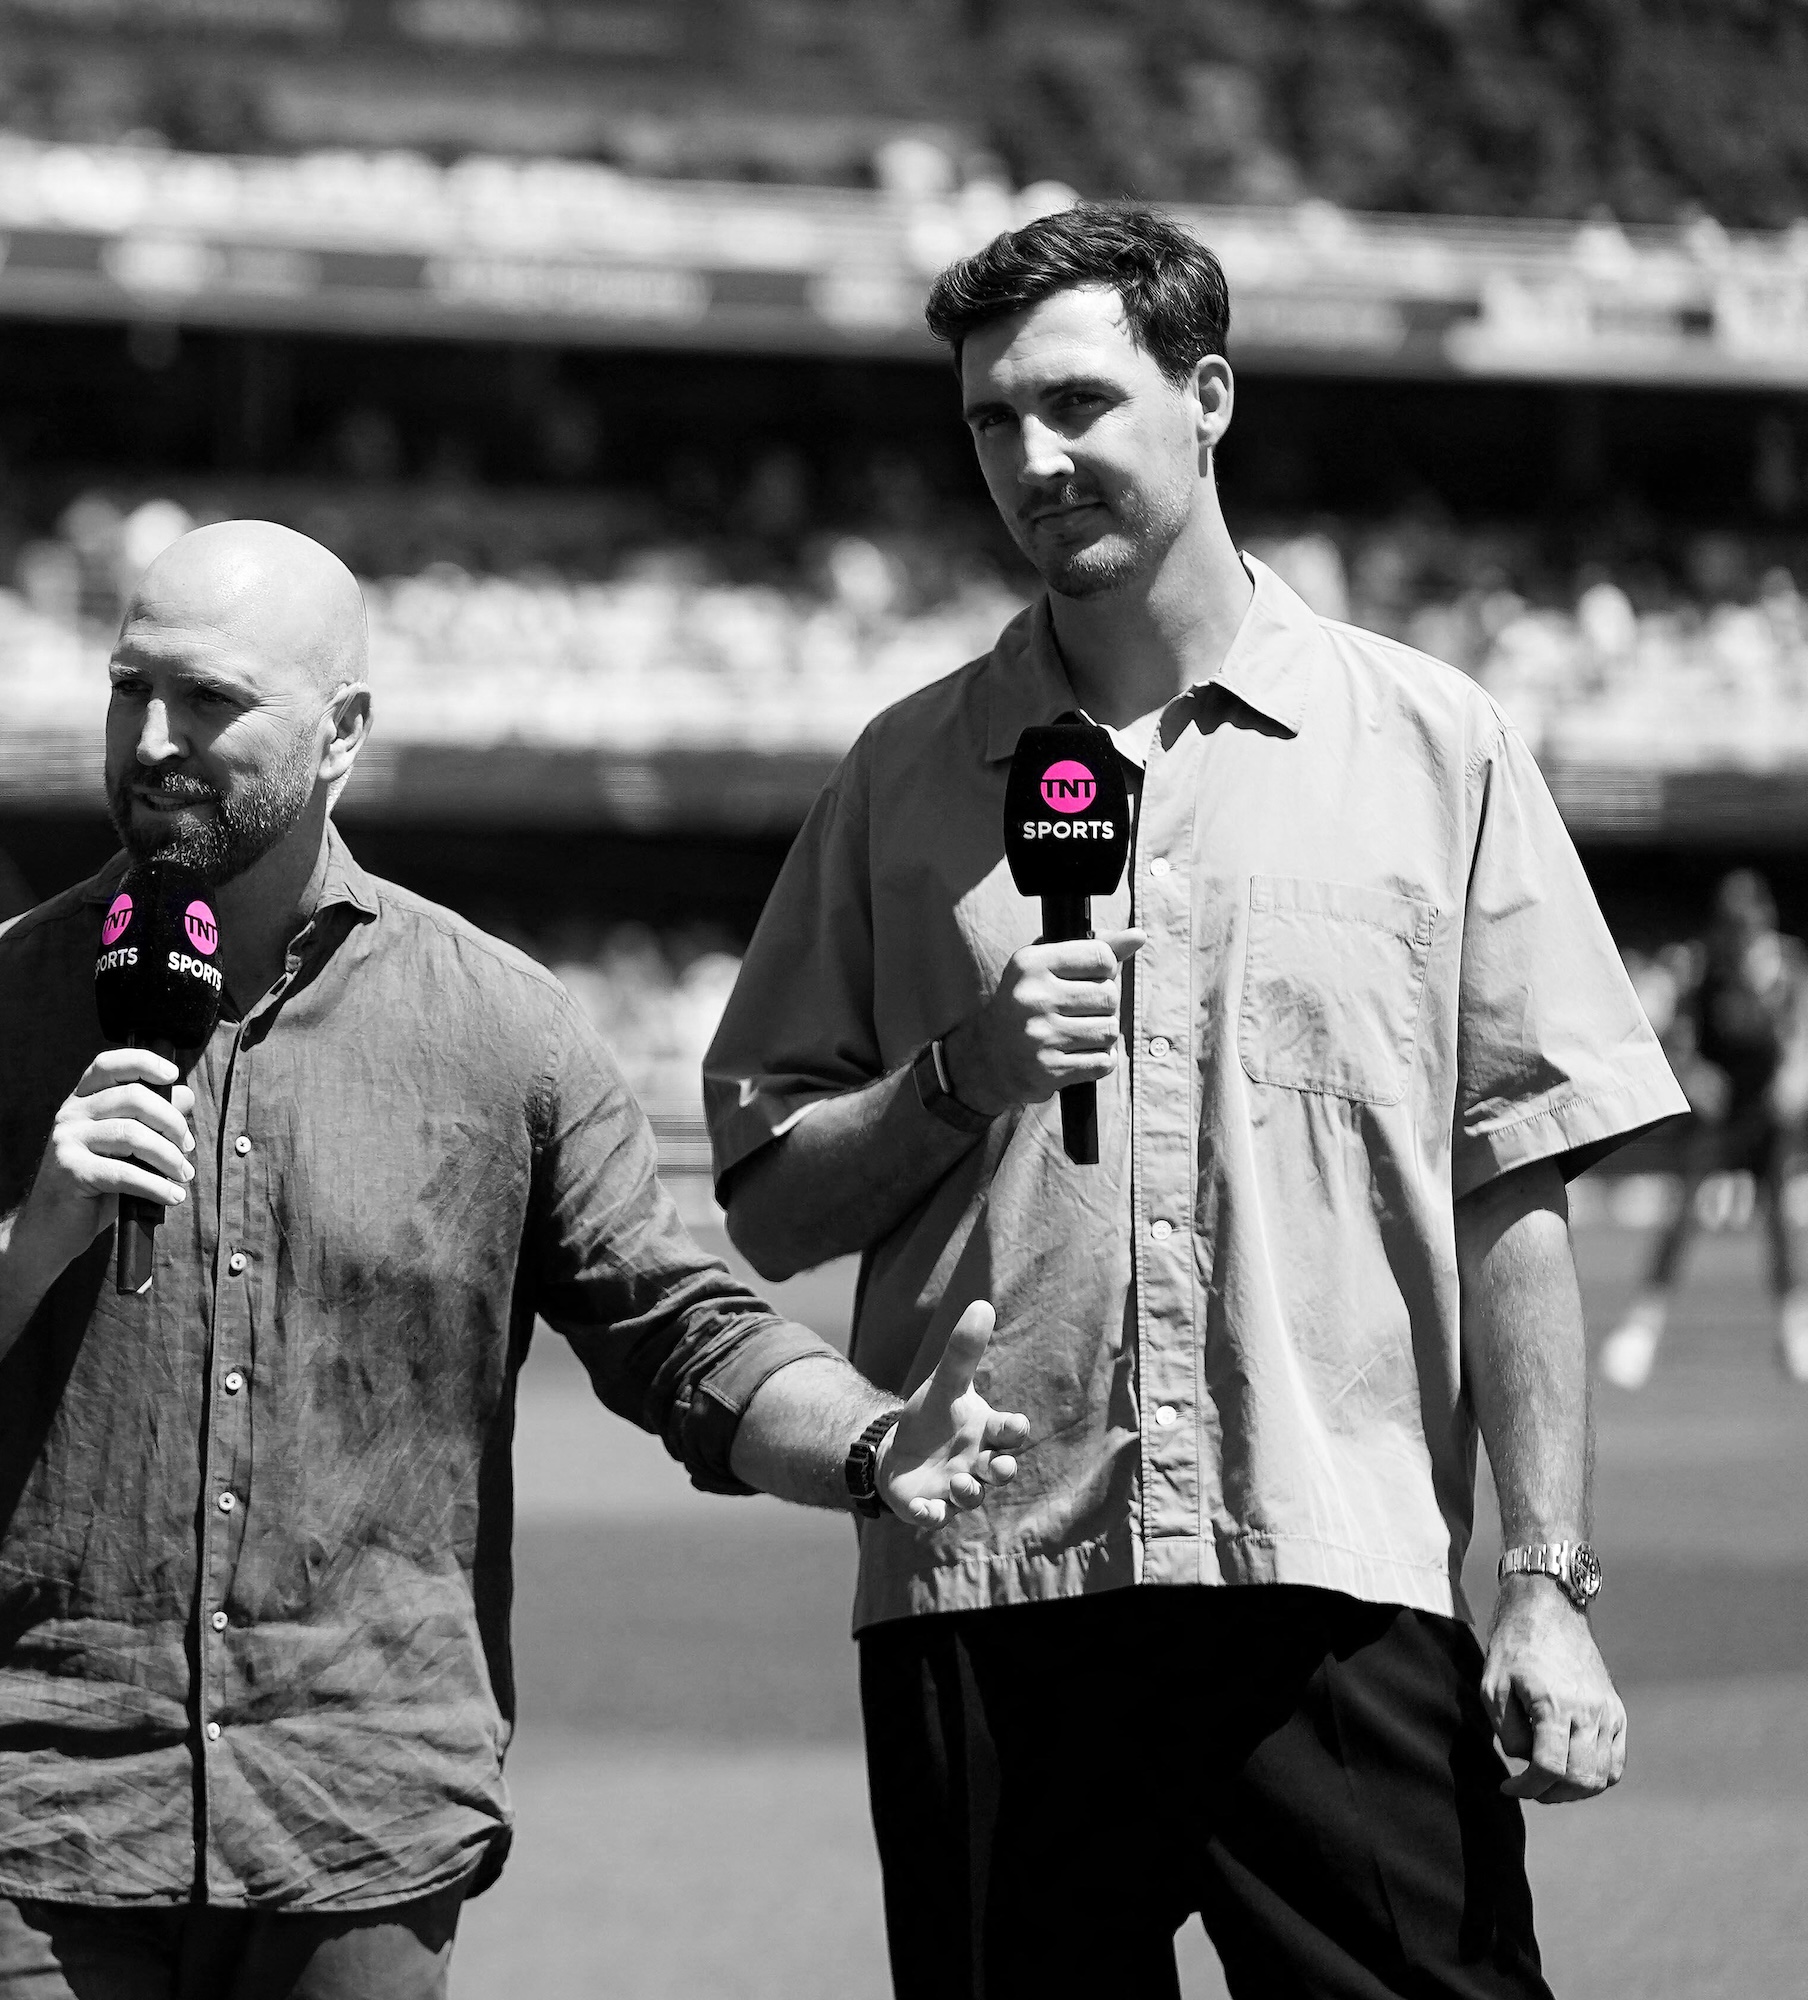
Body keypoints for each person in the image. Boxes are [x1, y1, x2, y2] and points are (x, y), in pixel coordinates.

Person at [0, 519, 1041, 2000]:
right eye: (132, 689)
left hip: (358, 1811)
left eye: (212, 699)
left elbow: (680, 1332)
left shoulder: (502, 1028)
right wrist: (28, 1237)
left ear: (342, 735)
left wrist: (874, 1444)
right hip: (36, 1806)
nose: (157, 738)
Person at [703, 206, 1688, 1999]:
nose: (1034, 457)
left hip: (1330, 1579)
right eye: (992, 422)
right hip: (985, 1589)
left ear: (1209, 393)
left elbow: (1515, 1178)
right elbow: (768, 1201)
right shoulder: (902, 778)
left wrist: (1542, 1578)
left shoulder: (1431, 744)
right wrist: (956, 1080)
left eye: (1077, 401)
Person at [1600, 867, 1808, 1386]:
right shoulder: (1701, 970)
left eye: (1748, 922)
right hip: (1717, 1120)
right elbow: (1676, 1044)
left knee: (1781, 1215)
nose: (1740, 933)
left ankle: (1794, 1327)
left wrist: (1791, 1079)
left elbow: (1799, 1043)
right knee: (1684, 1214)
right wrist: (1698, 1077)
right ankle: (1642, 1330)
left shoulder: (1786, 969)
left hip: (1765, 1116)